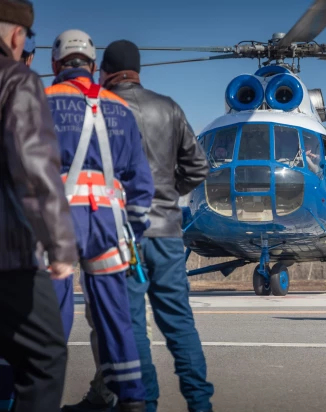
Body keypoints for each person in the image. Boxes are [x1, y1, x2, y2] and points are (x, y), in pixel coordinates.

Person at [63, 39, 213, 412]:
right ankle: (200, 404)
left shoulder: (102, 109)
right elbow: (198, 166)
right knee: (179, 324)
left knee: (130, 327)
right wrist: (166, 195)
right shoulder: (169, 108)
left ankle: (144, 403)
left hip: (121, 233)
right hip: (166, 233)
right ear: (138, 70)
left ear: (106, 71)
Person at [46, 29, 155, 412]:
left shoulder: (42, 102)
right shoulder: (119, 109)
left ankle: (37, 399)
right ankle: (133, 401)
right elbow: (142, 183)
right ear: (93, 67)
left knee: (50, 321)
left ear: (56, 64)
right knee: (115, 318)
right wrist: (133, 231)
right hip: (109, 224)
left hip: (58, 222)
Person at [0, 1, 78, 411]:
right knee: (46, 357)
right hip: (8, 254)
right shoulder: (17, 80)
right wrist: (60, 247)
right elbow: (33, 170)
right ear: (17, 35)